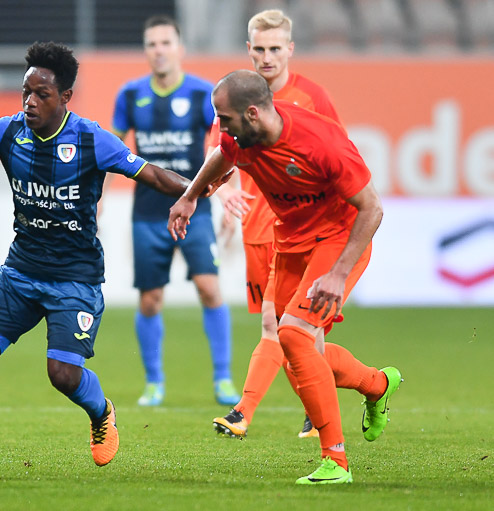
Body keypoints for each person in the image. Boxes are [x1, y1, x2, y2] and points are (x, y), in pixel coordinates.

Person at [0, 41, 223, 479]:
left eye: (42, 94)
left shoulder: (92, 139)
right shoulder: (7, 132)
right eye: (26, 92)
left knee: (62, 375)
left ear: (65, 97)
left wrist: (197, 188)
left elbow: (150, 173)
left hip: (74, 278)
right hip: (21, 271)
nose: (30, 102)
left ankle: (101, 410)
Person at [168, 69, 402, 484]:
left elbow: (373, 208)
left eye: (225, 118)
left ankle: (336, 461)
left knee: (292, 335)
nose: (220, 126)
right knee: (301, 357)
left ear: (253, 113)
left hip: (337, 240)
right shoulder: (240, 137)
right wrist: (190, 197)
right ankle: (378, 384)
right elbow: (222, 154)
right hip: (292, 241)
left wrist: (338, 274)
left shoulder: (321, 142)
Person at [211, 9, 344, 439]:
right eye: (260, 49)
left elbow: (339, 157)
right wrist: (225, 193)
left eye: (275, 49)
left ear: (290, 49)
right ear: (248, 50)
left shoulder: (313, 97)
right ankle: (329, 403)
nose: (267, 58)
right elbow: (220, 155)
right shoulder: (234, 98)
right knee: (289, 329)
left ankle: (247, 412)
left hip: (305, 232)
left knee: (287, 326)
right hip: (258, 229)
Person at [110, 15, 238, 407]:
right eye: (152, 44)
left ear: (180, 48)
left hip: (196, 209)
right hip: (148, 214)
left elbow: (227, 147)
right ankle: (154, 383)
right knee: (150, 299)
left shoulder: (203, 94)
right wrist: (95, 200)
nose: (159, 50)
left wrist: (230, 195)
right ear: (145, 50)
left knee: (209, 288)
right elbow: (111, 152)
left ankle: (223, 379)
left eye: (166, 43)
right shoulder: (130, 95)